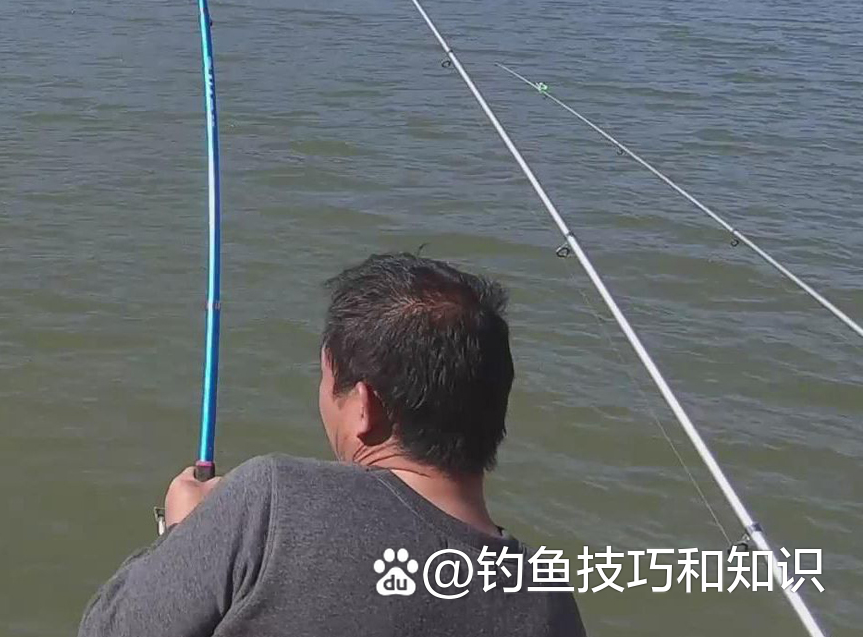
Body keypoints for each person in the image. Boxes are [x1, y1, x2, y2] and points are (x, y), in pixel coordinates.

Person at [79, 253, 584, 636]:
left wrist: (186, 535)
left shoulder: (274, 503)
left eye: (328, 379)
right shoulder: (550, 602)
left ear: (365, 406)